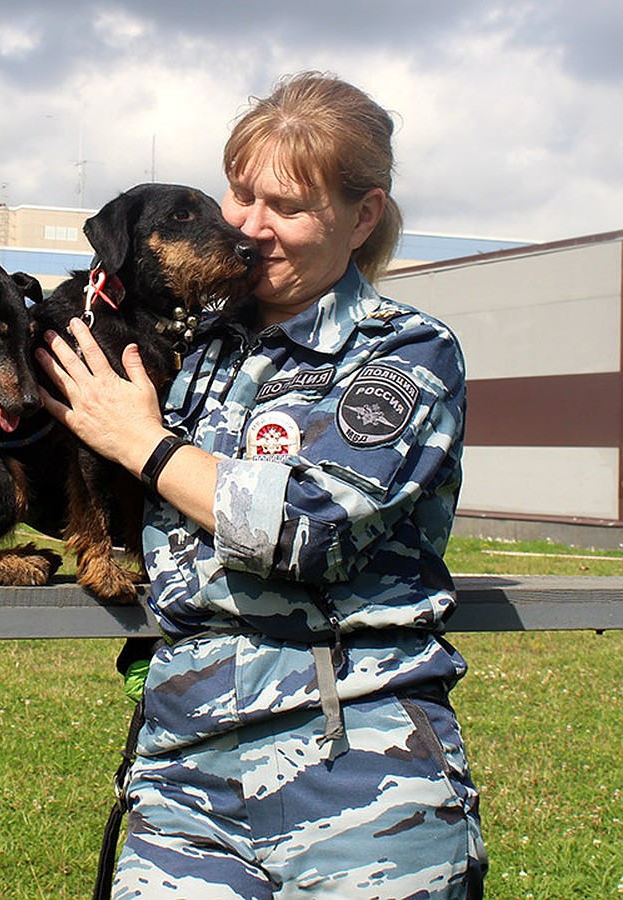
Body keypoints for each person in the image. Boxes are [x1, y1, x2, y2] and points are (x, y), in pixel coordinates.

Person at [37, 71, 487, 899]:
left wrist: (144, 441)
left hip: (355, 770)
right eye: (239, 195)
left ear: (362, 216)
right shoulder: (195, 350)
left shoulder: (402, 354)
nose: (248, 229)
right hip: (182, 780)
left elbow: (309, 529)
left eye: (286, 206)